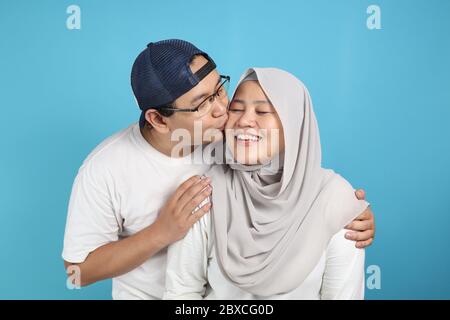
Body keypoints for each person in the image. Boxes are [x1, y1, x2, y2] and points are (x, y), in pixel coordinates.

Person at [62, 39, 375, 300]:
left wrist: (344, 210)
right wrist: (161, 233)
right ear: (158, 119)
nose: (222, 110)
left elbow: (290, 159)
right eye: (201, 104)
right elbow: (78, 272)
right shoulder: (105, 168)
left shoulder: (227, 135)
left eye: (220, 89)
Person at [164, 68, 371, 299]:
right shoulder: (204, 192)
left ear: (294, 124)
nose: (244, 121)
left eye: (263, 111)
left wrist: (347, 205)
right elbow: (181, 293)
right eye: (236, 109)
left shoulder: (334, 199)